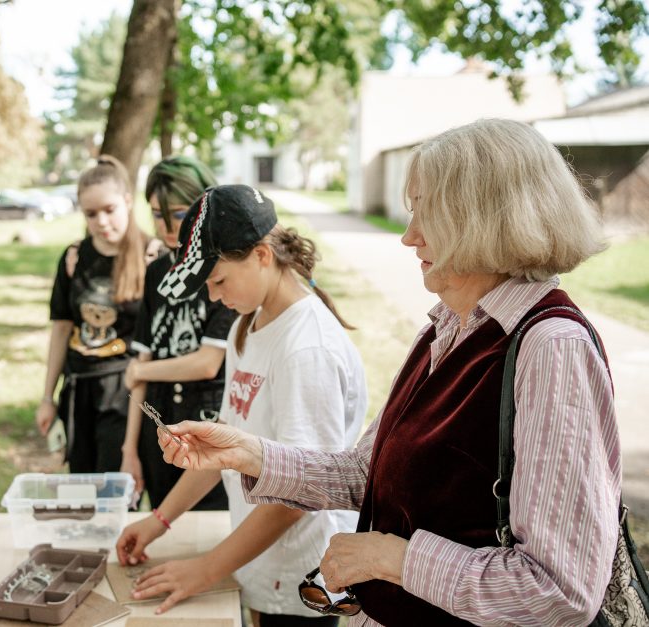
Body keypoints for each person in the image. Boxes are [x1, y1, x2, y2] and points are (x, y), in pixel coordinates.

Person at [156, 119, 619, 626]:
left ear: (484, 220)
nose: (407, 236)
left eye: (426, 214)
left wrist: (393, 559)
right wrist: (249, 454)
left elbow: (558, 589)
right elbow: (368, 472)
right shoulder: (448, 329)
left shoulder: (551, 349)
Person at [115, 184, 368, 627]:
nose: (213, 298)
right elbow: (226, 451)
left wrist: (207, 569)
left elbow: (298, 496)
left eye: (218, 281)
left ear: (261, 255)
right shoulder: (246, 327)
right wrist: (159, 520)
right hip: (257, 561)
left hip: (300, 577)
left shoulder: (307, 348)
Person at [121, 156, 234, 511]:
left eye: (181, 213)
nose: (168, 226)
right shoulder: (156, 272)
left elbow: (207, 363)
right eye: (157, 213)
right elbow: (143, 355)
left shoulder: (222, 268)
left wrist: (141, 371)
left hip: (208, 430)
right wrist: (129, 451)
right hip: (157, 431)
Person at [36, 155, 152, 474]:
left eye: (109, 210)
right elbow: (61, 329)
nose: (101, 221)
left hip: (124, 392)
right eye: (91, 214)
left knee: (114, 490)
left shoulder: (151, 256)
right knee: (82, 488)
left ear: (127, 202)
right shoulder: (75, 258)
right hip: (78, 390)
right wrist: (48, 397)